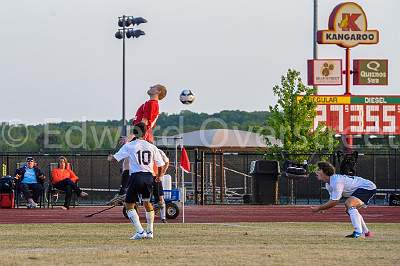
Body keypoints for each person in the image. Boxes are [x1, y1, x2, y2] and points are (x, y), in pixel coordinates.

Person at [108, 122, 168, 240]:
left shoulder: (130, 145)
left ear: (134, 132)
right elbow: (161, 164)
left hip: (136, 177)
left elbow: (114, 159)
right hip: (149, 177)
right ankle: (150, 232)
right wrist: (158, 176)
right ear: (145, 133)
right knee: (147, 202)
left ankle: (140, 231)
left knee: (128, 204)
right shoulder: (151, 146)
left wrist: (109, 157)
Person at [108, 84, 167, 204]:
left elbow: (144, 123)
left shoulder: (153, 104)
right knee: (132, 164)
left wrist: (130, 137)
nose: (151, 86)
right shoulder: (149, 103)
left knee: (135, 165)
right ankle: (154, 197)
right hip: (143, 135)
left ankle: (125, 192)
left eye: (154, 86)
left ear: (158, 91)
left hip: (143, 136)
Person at [311, 161, 377, 238]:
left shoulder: (336, 181)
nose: (316, 171)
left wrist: (319, 208)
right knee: (350, 208)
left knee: (349, 204)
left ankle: (358, 232)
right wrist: (324, 208)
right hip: (363, 187)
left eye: (319, 169)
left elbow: (335, 201)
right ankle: (366, 232)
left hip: (367, 187)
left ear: (325, 172)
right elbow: (332, 199)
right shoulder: (328, 184)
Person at [153, 148, 170, 223]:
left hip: (156, 176)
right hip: (146, 176)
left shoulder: (159, 151)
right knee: (145, 197)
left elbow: (167, 161)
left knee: (160, 198)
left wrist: (162, 173)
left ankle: (163, 218)